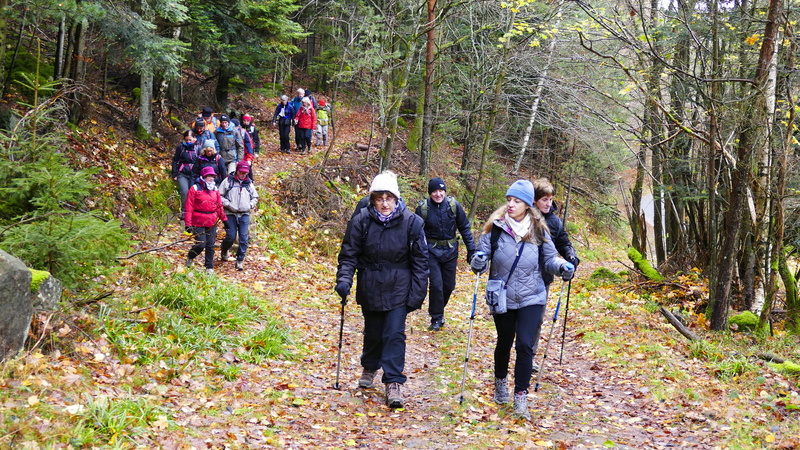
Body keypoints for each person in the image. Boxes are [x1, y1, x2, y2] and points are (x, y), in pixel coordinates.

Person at [469, 179, 574, 420]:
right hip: (502, 296)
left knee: (525, 345)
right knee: (504, 342)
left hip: (532, 295)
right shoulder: (494, 229)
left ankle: (520, 398)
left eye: (516, 201)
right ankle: (500, 384)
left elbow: (550, 259)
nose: (511, 205)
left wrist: (562, 266)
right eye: (509, 200)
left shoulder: (539, 229)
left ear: (527, 204)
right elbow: (481, 258)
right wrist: (478, 261)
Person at [335, 171, 429, 409]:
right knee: (374, 332)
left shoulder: (412, 222)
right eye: (379, 198)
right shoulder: (361, 221)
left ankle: (394, 382)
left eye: (389, 197)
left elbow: (420, 262)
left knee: (394, 334)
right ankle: (369, 365)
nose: (385, 203)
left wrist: (416, 295)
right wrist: (344, 280)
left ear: (397, 198)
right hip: (370, 285)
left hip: (399, 287)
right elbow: (349, 255)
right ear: (372, 199)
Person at [415, 177, 476, 331]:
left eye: (441, 190)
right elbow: (415, 232)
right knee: (436, 285)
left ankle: (438, 311)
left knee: (448, 286)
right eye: (435, 191)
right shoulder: (423, 208)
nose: (438, 194)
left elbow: (465, 228)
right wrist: (415, 252)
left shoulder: (453, 206)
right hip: (431, 252)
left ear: (444, 191)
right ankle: (436, 318)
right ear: (430, 193)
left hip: (450, 252)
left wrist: (471, 250)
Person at [530, 177, 580, 368]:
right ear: (535, 199)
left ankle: (530, 356)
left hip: (544, 276)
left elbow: (564, 243)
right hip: (522, 274)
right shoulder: (524, 217)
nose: (548, 203)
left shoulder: (555, 222)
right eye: (544, 199)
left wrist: (571, 256)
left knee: (537, 319)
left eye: (550, 200)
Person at [185, 166, 228, 274]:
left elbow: (219, 206)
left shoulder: (215, 189)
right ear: (204, 176)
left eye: (213, 176)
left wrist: (224, 219)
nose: (212, 178)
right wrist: (188, 223)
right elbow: (189, 207)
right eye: (209, 176)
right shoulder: (195, 188)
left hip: (211, 220)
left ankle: (209, 267)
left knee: (210, 245)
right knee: (201, 244)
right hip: (198, 220)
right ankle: (191, 255)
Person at [219, 161, 259, 271]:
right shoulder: (228, 181)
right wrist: (228, 204)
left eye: (245, 173)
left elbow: (255, 197)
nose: (243, 175)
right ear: (237, 171)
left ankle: (240, 260)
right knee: (231, 236)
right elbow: (219, 196)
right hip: (230, 213)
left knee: (244, 238)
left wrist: (249, 205)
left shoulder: (249, 183)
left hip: (244, 213)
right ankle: (224, 249)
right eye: (241, 172)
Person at [171, 130, 199, 223]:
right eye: (186, 140)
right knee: (184, 192)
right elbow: (175, 160)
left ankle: (194, 212)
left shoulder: (198, 148)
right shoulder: (181, 148)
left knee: (194, 193)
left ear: (194, 139)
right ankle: (184, 213)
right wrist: (174, 173)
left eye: (190, 140)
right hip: (182, 173)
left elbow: (201, 161)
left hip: (194, 174)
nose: (188, 142)